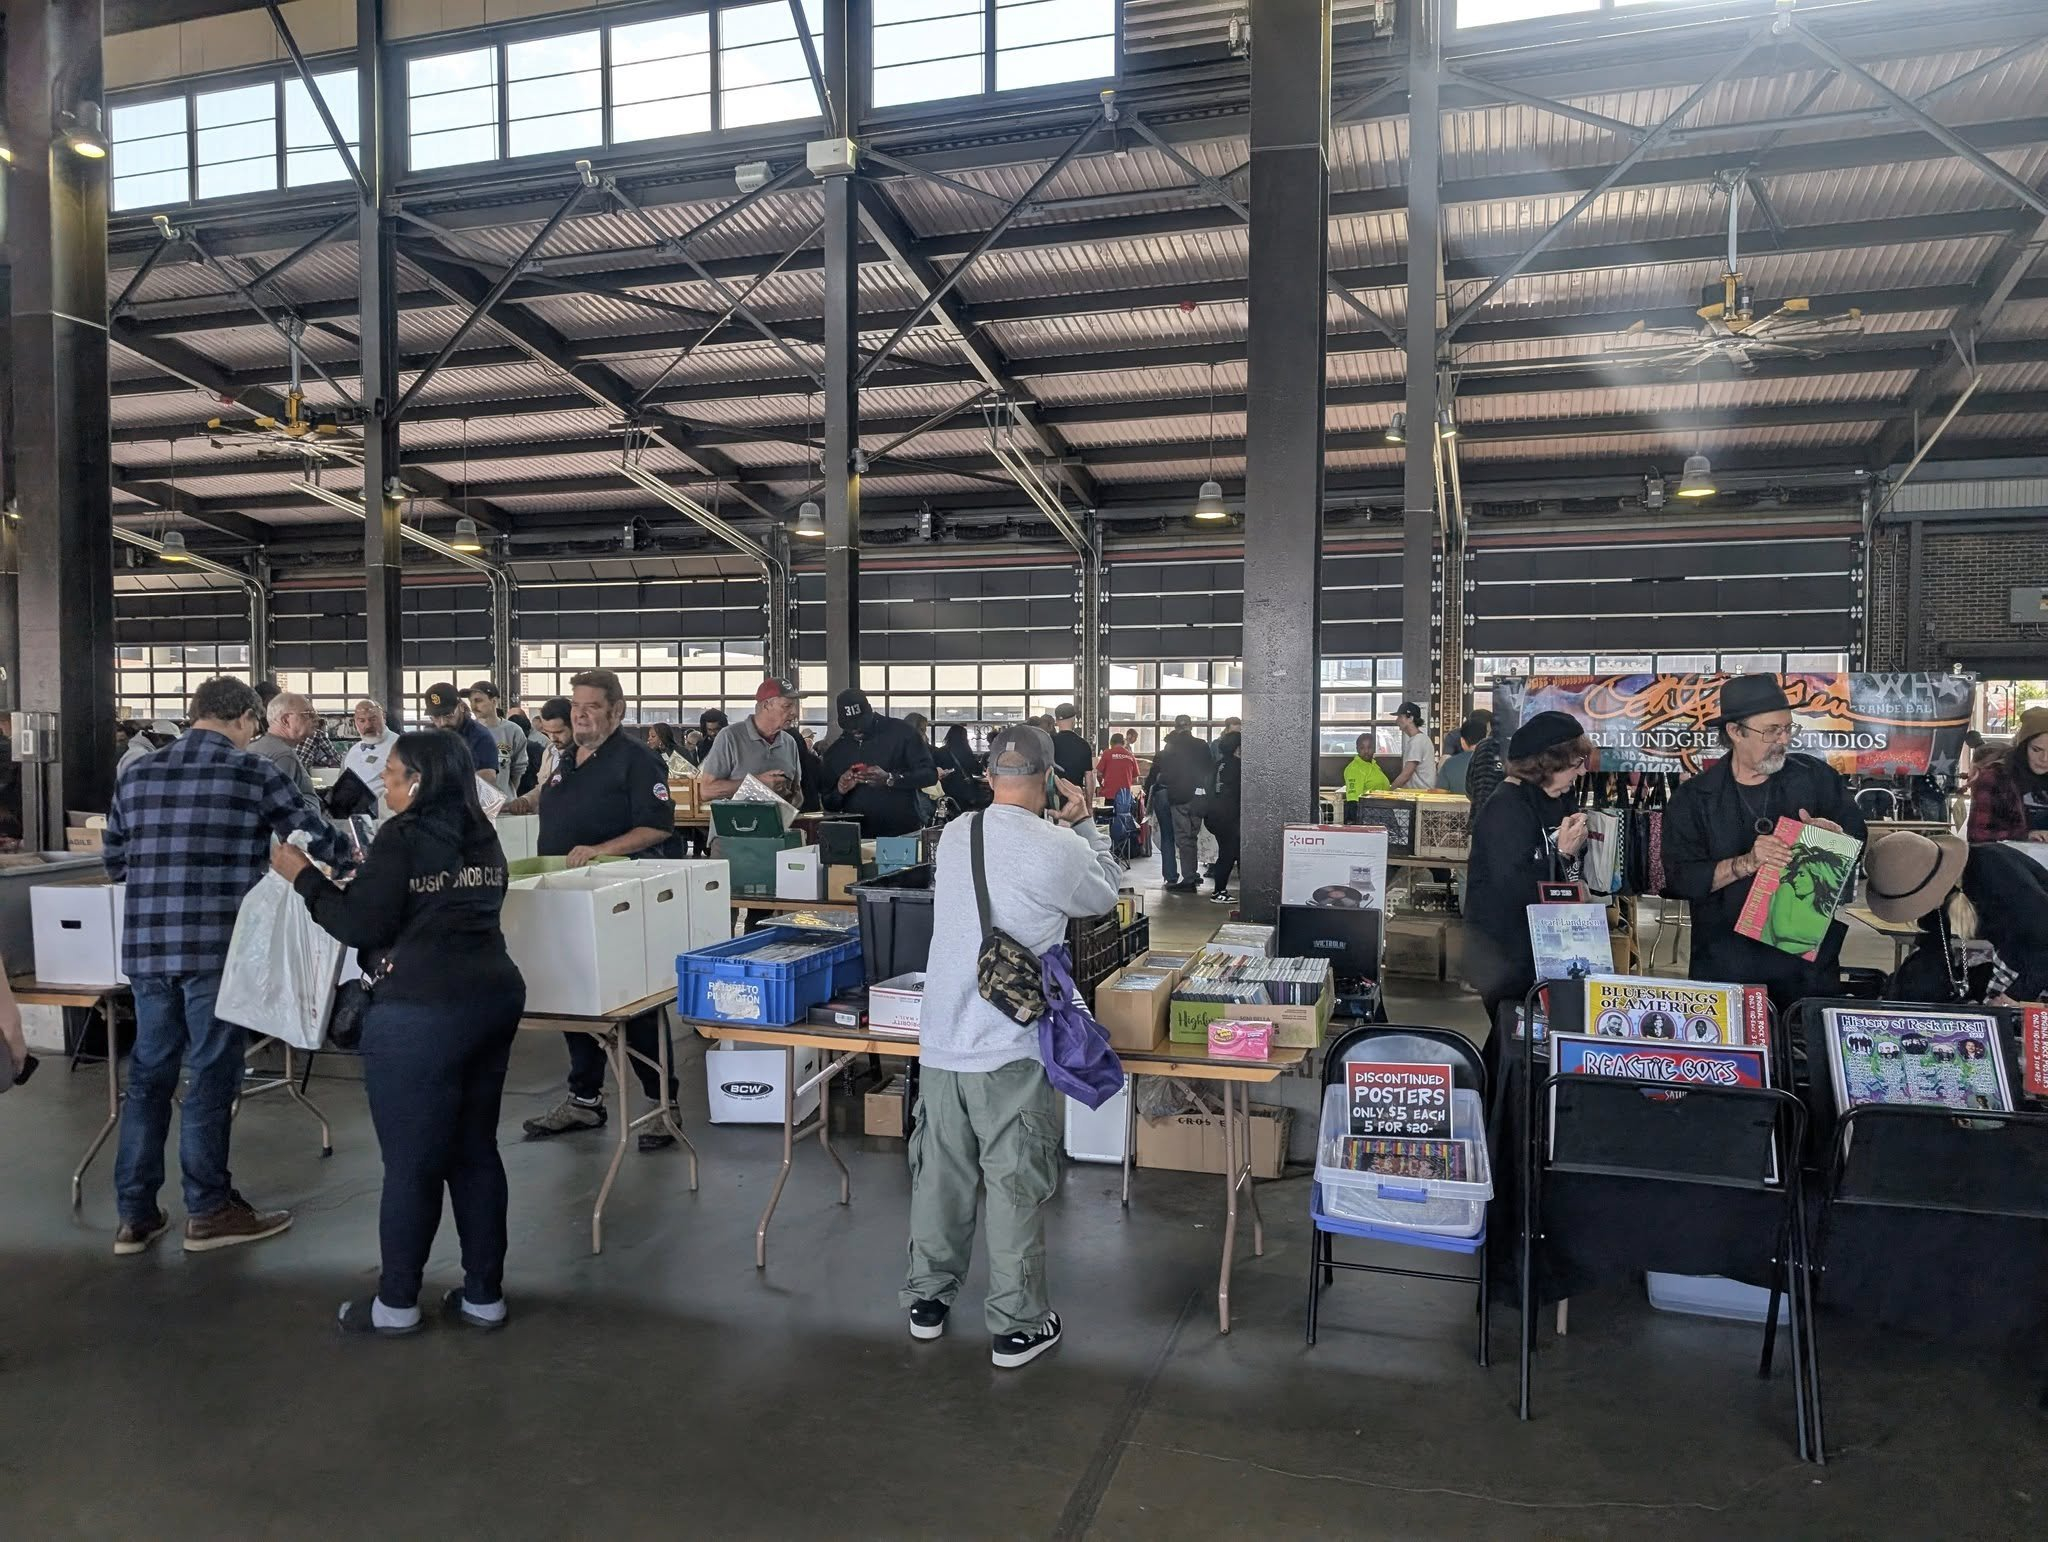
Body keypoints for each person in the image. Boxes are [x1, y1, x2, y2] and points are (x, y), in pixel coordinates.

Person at [274, 731, 525, 1337]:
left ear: (417, 781)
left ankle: (396, 1304)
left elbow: (360, 924)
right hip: (491, 996)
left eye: (389, 775)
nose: (383, 785)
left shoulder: (402, 836)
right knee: (474, 1150)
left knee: (411, 1162)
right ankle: (484, 1296)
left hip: (421, 1009)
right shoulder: (481, 832)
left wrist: (302, 877)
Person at [101, 676, 353, 1257]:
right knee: (211, 1075)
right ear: (245, 718)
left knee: (148, 1077)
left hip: (146, 949)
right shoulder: (252, 771)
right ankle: (210, 1210)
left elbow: (115, 861)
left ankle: (135, 1217)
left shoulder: (136, 774)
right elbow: (313, 834)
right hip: (217, 949)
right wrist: (349, 859)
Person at [903, 725, 1120, 1368]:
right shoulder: (1057, 847)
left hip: (942, 1037)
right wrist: (1084, 825)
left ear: (990, 776)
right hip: (1008, 1045)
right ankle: (1018, 1325)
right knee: (1013, 1183)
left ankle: (928, 1300)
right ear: (1051, 777)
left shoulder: (955, 834)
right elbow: (1102, 895)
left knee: (939, 1175)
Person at [521, 670, 683, 1147]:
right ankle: (585, 1101)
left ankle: (663, 1105)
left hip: (619, 901)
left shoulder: (637, 760)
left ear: (617, 711)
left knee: (634, 1006)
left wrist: (602, 850)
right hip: (566, 900)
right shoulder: (567, 758)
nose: (581, 714)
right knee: (574, 1000)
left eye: (591, 706)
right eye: (576, 706)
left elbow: (657, 827)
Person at [1660, 674, 1866, 1011]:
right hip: (1727, 965)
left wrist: (1835, 841)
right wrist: (1745, 863)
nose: (1782, 740)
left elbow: (1857, 842)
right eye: (1771, 731)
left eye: (1787, 729)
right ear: (1735, 732)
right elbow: (1682, 879)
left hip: (1806, 964)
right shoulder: (1696, 798)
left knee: (1806, 1056)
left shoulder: (1814, 778)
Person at [1459, 711, 1593, 1074]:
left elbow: (1567, 873)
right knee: (1517, 1043)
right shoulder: (1505, 808)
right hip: (1505, 954)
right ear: (1546, 764)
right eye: (1575, 763)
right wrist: (1561, 854)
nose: (1581, 773)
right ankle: (1504, 1116)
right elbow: (1514, 887)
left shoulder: (1558, 799)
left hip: (1551, 948)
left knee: (1534, 1051)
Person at [1869, 831, 2048, 1006]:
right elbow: (1934, 944)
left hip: (2037, 957)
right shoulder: (1937, 881)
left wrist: (2016, 995)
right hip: (2017, 954)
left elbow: (2042, 939)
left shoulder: (1994, 870)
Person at [823, 689, 937, 838]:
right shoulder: (837, 751)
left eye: (861, 723)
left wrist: (891, 779)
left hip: (902, 833)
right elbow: (828, 803)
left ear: (870, 710)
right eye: (850, 725)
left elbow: (929, 775)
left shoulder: (901, 733)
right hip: (857, 837)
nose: (856, 729)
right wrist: (840, 790)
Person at [697, 680, 803, 803]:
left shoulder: (790, 742)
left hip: (775, 822)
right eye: (787, 706)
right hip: (736, 822)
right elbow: (706, 791)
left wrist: (793, 799)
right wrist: (758, 784)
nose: (794, 712)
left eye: (795, 706)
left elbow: (797, 792)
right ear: (766, 705)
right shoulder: (729, 737)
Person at [1145, 714, 1212, 893]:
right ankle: (1191, 873)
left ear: (1175, 727)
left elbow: (1155, 776)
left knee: (1170, 836)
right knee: (1191, 837)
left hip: (1172, 796)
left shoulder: (1168, 749)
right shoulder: (1202, 746)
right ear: (1191, 726)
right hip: (1197, 797)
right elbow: (1209, 770)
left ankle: (1173, 877)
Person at [1967, 706, 2048, 845]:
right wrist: (2024, 835)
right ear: (2023, 747)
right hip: (2007, 862)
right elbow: (1977, 834)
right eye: (2036, 750)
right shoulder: (1994, 777)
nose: (2045, 759)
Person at [247, 691, 323, 812]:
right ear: (285, 720)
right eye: (309, 714)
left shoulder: (256, 746)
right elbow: (282, 810)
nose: (317, 719)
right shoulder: (283, 755)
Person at [423, 682, 500, 785]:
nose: (442, 723)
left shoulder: (480, 737)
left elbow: (488, 778)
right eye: (435, 717)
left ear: (461, 707)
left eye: (448, 715)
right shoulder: (428, 735)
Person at [467, 682, 528, 793]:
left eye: (478, 701)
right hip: (474, 804)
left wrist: (506, 793)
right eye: (471, 701)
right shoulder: (466, 731)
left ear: (494, 701)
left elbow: (518, 770)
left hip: (504, 804)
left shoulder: (513, 731)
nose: (473, 707)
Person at [1204, 729, 1243, 902]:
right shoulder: (1238, 766)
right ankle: (1218, 892)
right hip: (1229, 817)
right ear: (1238, 748)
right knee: (1228, 854)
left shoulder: (1217, 764)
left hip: (1213, 815)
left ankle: (1221, 890)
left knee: (1230, 852)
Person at [339, 699, 400, 810]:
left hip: (388, 814)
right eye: (362, 720)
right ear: (355, 722)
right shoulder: (352, 753)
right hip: (354, 815)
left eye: (373, 719)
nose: (368, 725)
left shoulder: (401, 745)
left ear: (383, 718)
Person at [1050, 703, 1096, 801]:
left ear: (1057, 721)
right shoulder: (1083, 745)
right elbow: (1089, 777)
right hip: (1076, 800)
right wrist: (1089, 805)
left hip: (1053, 801)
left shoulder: (1049, 743)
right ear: (1074, 720)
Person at [1465, 709, 1505, 815]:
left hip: (1480, 817)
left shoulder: (1484, 746)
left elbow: (1469, 787)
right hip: (1506, 817)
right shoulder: (1516, 744)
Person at [1342, 732, 1391, 818]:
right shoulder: (1355, 769)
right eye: (1362, 748)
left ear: (1374, 748)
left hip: (1382, 812)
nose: (1366, 751)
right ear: (1357, 749)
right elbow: (1353, 801)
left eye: (1369, 747)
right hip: (1368, 816)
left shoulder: (1374, 765)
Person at [1391, 702, 1438, 790]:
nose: (1397, 721)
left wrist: (1389, 791)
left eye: (1400, 717)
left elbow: (1406, 774)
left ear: (1410, 718)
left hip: (1421, 794)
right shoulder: (1419, 739)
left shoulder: (1417, 741)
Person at [1440, 717, 1487, 797]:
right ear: (1485, 739)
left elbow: (1440, 792)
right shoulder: (1494, 762)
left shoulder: (1449, 764)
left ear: (1462, 741)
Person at [1096, 733, 1141, 804]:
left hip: (1109, 795)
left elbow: (1099, 774)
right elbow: (1135, 779)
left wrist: (1102, 785)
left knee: (1108, 814)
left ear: (1111, 742)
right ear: (1123, 743)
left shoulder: (1107, 753)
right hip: (1125, 797)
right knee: (1124, 814)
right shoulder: (1131, 756)